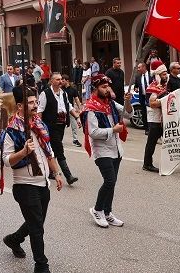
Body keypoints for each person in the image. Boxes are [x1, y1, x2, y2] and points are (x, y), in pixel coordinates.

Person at [1, 86, 62, 273]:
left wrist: (57, 173)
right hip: (25, 186)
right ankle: (41, 266)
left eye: (36, 102)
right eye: (31, 103)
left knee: (36, 222)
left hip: (43, 182)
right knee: (37, 228)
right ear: (20, 105)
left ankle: (14, 239)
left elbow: (48, 152)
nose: (35, 105)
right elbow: (6, 160)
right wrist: (24, 152)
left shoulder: (39, 125)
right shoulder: (12, 130)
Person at [81, 75, 133, 228]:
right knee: (109, 180)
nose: (107, 89)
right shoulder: (91, 108)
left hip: (116, 149)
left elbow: (128, 114)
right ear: (95, 89)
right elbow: (93, 132)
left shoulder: (110, 103)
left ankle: (108, 212)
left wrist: (128, 101)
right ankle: (97, 210)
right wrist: (113, 130)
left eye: (108, 86)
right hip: (102, 150)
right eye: (103, 87)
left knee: (112, 182)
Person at [143, 61, 180, 173]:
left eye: (166, 73)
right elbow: (152, 104)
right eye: (163, 74)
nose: (166, 76)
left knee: (174, 141)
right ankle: (147, 164)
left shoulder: (164, 87)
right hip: (155, 120)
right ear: (157, 75)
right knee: (152, 142)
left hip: (166, 119)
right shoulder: (152, 87)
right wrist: (165, 101)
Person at [38, 73, 82, 185]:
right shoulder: (45, 93)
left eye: (61, 79)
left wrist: (77, 117)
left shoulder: (64, 93)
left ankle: (49, 171)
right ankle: (68, 176)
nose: (60, 81)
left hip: (61, 125)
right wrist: (40, 126)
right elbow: (40, 110)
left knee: (53, 149)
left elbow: (69, 107)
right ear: (51, 81)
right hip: (51, 125)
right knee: (59, 149)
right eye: (57, 79)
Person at [61, 74, 82, 147]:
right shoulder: (61, 89)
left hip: (71, 109)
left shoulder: (73, 89)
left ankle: (75, 140)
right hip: (63, 109)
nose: (61, 82)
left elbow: (76, 99)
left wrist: (79, 108)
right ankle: (60, 140)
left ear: (67, 81)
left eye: (63, 81)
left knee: (74, 125)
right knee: (62, 125)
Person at [133, 62, 153, 135]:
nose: (138, 69)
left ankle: (152, 128)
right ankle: (146, 129)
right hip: (143, 97)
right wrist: (136, 89)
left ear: (144, 67)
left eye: (139, 67)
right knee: (144, 113)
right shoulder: (138, 77)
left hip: (151, 97)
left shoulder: (152, 75)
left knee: (151, 113)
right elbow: (136, 86)